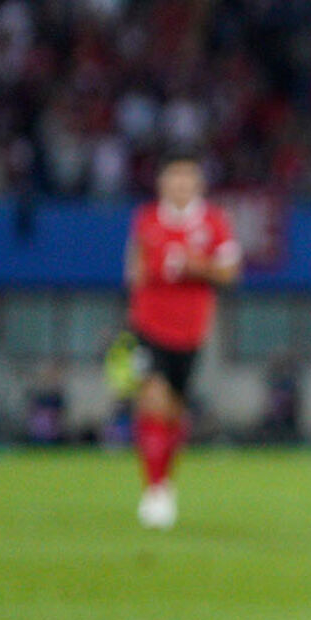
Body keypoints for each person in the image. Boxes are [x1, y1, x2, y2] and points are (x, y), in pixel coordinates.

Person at [123, 151, 242, 529]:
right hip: (149, 326)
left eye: (187, 179)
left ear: (197, 184)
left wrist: (196, 266)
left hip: (190, 332)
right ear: (162, 183)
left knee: (174, 412)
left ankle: (165, 482)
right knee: (152, 398)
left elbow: (230, 273)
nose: (179, 185)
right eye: (173, 178)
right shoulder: (147, 220)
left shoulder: (214, 222)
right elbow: (135, 269)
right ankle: (154, 491)